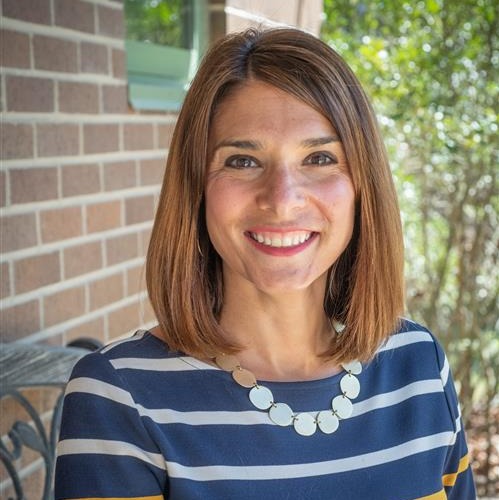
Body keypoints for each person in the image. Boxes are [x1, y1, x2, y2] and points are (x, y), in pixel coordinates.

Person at [55, 27, 476, 499]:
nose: (282, 200)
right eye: (241, 161)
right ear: (196, 188)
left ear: (362, 188)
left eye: (319, 157)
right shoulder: (120, 397)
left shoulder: (419, 365)